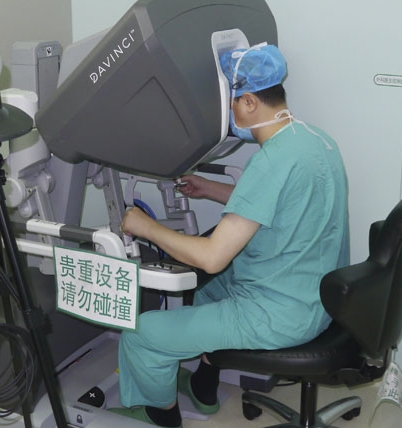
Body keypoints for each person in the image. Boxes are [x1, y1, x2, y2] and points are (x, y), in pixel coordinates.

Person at [109, 43, 350, 428]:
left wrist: (145, 226)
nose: (226, 112)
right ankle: (204, 388)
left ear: (250, 102)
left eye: (230, 101)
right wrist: (211, 189)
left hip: (279, 314)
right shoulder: (315, 140)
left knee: (142, 333)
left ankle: (160, 415)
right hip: (318, 295)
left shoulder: (270, 160)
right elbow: (280, 200)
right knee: (209, 292)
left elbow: (212, 257)